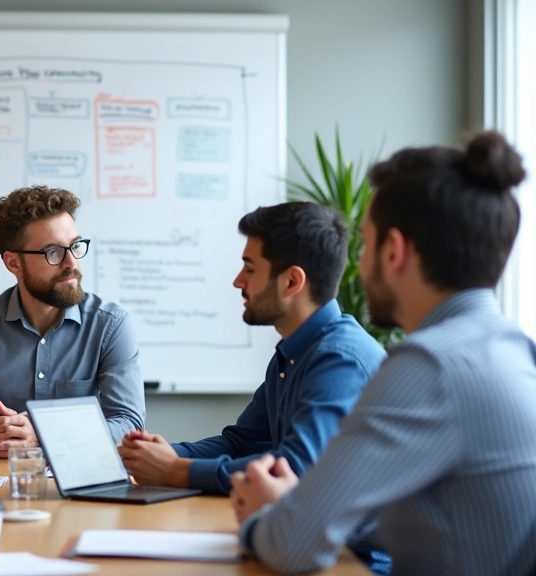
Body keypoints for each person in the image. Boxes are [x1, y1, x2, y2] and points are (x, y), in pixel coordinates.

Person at [230, 131, 536, 576]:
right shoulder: (516, 350)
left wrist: (266, 516)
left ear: (394, 251)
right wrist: (293, 508)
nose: (359, 261)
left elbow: (292, 547)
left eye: (367, 243)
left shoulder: (429, 364)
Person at [117, 202, 391, 573]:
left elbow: (297, 468)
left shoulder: (339, 359)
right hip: (307, 543)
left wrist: (177, 471)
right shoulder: (294, 351)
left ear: (292, 281)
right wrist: (159, 454)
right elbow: (240, 441)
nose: (237, 281)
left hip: (352, 561)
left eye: (249, 269)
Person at [0, 185, 145, 456]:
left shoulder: (110, 325)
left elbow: (128, 423)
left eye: (75, 246)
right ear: (13, 263)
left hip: (80, 483)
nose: (71, 263)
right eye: (53, 252)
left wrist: (45, 436)